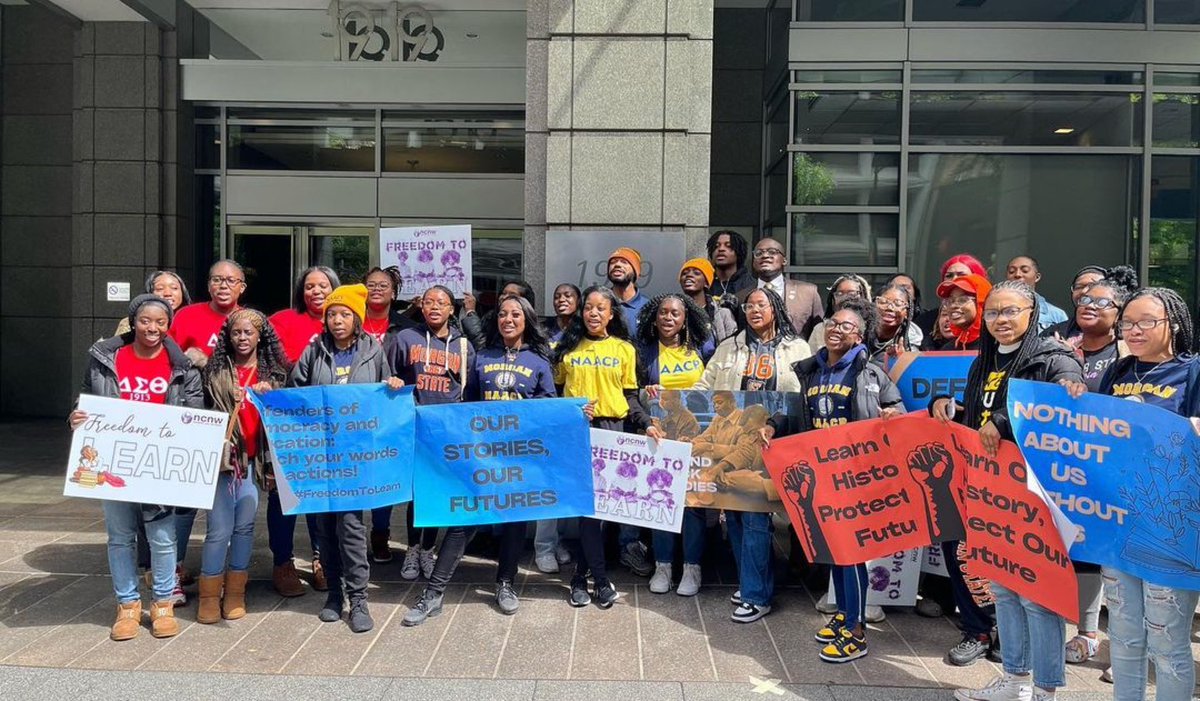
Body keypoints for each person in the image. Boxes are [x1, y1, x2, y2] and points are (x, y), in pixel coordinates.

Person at [933, 280, 1082, 701]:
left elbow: (1059, 395)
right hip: (990, 491)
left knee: (1038, 594)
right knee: (1002, 587)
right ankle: (1014, 681)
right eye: (994, 312)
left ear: (1032, 314)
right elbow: (975, 417)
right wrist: (947, 407)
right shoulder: (983, 359)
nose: (1001, 320)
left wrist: (1001, 420)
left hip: (1035, 495)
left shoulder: (1051, 357)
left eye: (1011, 311)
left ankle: (1045, 690)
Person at [1059, 286, 1200, 701]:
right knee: (1122, 635)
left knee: (1167, 640)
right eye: (1127, 323)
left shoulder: (1192, 371)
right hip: (1118, 524)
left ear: (1172, 324)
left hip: (1171, 529)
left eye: (1145, 323)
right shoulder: (1118, 372)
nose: (1133, 331)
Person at [762, 297, 903, 662]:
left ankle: (856, 633)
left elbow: (897, 411)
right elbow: (795, 411)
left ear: (860, 337)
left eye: (847, 326)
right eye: (832, 323)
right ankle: (843, 616)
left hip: (856, 477)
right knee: (833, 552)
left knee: (850, 554)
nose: (836, 330)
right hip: (820, 475)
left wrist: (892, 415)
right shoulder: (812, 370)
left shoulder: (870, 374)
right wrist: (773, 425)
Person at [409, 295, 559, 622]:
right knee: (464, 521)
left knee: (514, 523)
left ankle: (505, 583)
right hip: (482, 455)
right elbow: (470, 403)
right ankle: (434, 593)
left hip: (519, 458)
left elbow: (549, 408)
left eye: (516, 314)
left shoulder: (539, 362)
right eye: (503, 314)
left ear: (526, 320)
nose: (508, 319)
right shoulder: (482, 356)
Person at [69, 294, 203, 641]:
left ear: (168, 325)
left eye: (160, 322)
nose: (153, 328)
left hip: (157, 463)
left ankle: (162, 604)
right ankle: (127, 605)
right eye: (145, 321)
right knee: (120, 536)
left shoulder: (182, 367)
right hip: (115, 460)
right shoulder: (106, 357)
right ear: (133, 322)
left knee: (161, 537)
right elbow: (87, 394)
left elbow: (194, 411)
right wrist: (77, 415)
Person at [290, 284, 404, 633]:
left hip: (357, 458)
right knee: (323, 529)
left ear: (357, 319)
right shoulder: (314, 352)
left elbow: (385, 395)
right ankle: (333, 595)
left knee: (352, 528)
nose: (337, 321)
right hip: (320, 457)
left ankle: (358, 600)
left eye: (344, 315)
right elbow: (295, 394)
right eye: (331, 315)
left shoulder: (373, 351)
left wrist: (394, 385)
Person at [694, 287, 811, 623]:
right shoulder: (730, 346)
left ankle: (757, 595)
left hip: (777, 440)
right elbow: (706, 385)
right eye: (749, 305)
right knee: (736, 514)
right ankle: (749, 582)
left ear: (775, 307)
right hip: (738, 438)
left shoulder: (798, 347)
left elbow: (804, 394)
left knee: (758, 516)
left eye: (762, 304)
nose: (755, 310)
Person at [553, 285, 664, 608]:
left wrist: (647, 423)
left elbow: (630, 398)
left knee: (603, 511)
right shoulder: (567, 348)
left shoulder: (625, 350)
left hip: (613, 431)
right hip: (578, 432)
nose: (593, 313)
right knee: (588, 510)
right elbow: (555, 394)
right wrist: (573, 410)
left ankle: (581, 578)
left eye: (601, 308)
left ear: (612, 314)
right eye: (588, 307)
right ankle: (598, 581)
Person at [1051, 267, 1136, 669]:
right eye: (1084, 298)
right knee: (1073, 548)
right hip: (1063, 464)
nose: (1089, 304)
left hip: (1108, 470)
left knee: (1104, 552)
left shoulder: (1125, 355)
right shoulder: (1059, 346)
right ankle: (1074, 630)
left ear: (1119, 312)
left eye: (1101, 300)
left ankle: (1106, 641)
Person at [196, 309, 287, 625]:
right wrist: (224, 394)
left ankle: (235, 592)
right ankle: (209, 593)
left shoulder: (274, 376)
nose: (242, 338)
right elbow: (198, 408)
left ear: (260, 336)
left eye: (248, 333)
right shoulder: (215, 370)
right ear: (228, 337)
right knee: (219, 528)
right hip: (222, 463)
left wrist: (271, 396)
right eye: (236, 333)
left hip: (252, 463)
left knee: (245, 527)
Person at [166, 259, 249, 605]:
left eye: (231, 280)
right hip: (193, 419)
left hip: (236, 425)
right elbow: (167, 356)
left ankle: (227, 574)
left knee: (232, 503)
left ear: (242, 286)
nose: (223, 285)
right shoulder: (187, 316)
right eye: (217, 279)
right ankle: (173, 571)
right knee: (184, 502)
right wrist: (190, 360)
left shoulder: (249, 320)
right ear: (208, 284)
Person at [385, 285, 476, 582]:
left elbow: (470, 390)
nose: (434, 307)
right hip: (414, 428)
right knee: (416, 494)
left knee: (438, 492)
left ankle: (428, 548)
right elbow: (390, 375)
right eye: (428, 302)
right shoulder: (405, 338)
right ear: (421, 307)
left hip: (447, 432)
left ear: (452, 309)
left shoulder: (464, 346)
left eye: (441, 302)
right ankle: (412, 547)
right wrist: (394, 382)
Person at [266, 266, 340, 597]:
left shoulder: (343, 320)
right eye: (309, 286)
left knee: (321, 494)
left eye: (323, 285)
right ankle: (283, 563)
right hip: (289, 421)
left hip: (330, 424)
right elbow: (265, 360)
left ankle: (322, 558)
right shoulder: (281, 320)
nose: (316, 291)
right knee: (284, 493)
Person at [634, 293, 713, 597]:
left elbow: (714, 384)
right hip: (658, 437)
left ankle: (692, 567)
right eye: (663, 313)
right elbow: (632, 392)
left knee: (692, 504)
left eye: (675, 314)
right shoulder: (644, 351)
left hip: (694, 436)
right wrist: (646, 392)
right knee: (661, 499)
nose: (668, 318)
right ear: (655, 318)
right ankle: (663, 566)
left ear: (685, 319)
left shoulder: (702, 348)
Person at [362, 266, 417, 563]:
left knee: (383, 472)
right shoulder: (350, 320)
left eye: (383, 285)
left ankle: (380, 534)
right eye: (371, 284)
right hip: (355, 411)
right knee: (358, 473)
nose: (377, 289)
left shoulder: (406, 327)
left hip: (390, 411)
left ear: (394, 292)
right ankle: (353, 536)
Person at [736, 238, 824, 340]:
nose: (765, 256)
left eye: (772, 252)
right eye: (759, 253)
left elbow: (819, 334)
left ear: (784, 260)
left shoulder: (808, 292)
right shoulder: (741, 297)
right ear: (753, 262)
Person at [1040, 265, 1112, 343]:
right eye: (1078, 287)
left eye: (1092, 286)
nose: (1084, 291)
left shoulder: (1124, 334)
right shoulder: (1052, 334)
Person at [114, 271, 192, 336]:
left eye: (174, 288)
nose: (168, 293)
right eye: (160, 289)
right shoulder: (130, 324)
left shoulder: (193, 321)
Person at [679, 258, 737, 344]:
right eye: (684, 273)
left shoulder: (723, 313)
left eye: (696, 273)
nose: (689, 275)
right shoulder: (676, 312)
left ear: (706, 283)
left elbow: (733, 346)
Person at [807, 274, 871, 352]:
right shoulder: (821, 330)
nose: (845, 298)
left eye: (852, 293)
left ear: (863, 295)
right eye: (839, 294)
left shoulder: (873, 329)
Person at [1006, 255, 1068, 334]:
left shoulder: (1056, 314)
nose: (1017, 274)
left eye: (1024, 270)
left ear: (1037, 277)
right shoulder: (996, 309)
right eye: (1011, 271)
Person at [934, 274, 993, 351]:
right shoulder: (948, 350)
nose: (953, 306)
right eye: (950, 301)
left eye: (962, 300)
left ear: (982, 304)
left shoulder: (996, 345)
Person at [870, 282, 923, 362]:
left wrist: (901, 362)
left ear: (907, 313)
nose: (890, 308)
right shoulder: (859, 335)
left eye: (898, 304)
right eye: (883, 302)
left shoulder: (911, 348)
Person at [706, 229, 754, 305]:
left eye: (728, 246)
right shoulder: (706, 283)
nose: (721, 249)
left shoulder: (750, 285)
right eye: (716, 246)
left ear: (739, 252)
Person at [607, 248, 649, 334]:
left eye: (624, 262)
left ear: (635, 271)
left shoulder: (648, 308)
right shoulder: (600, 304)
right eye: (613, 262)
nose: (617, 264)